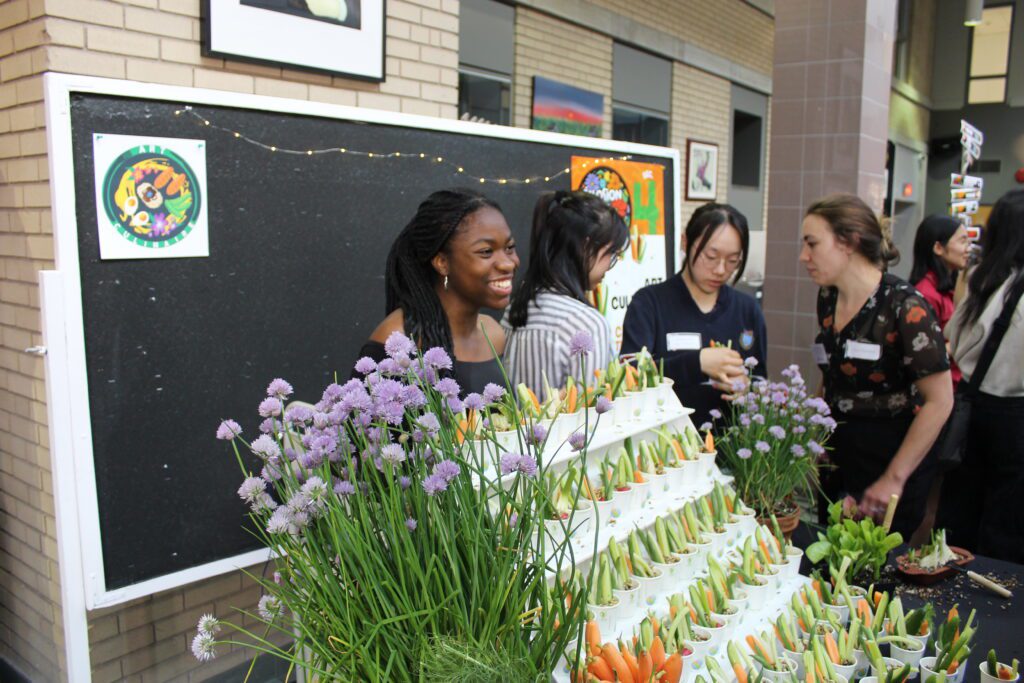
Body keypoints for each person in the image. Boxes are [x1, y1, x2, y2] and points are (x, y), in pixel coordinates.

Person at [801, 193, 953, 538]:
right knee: (831, 554)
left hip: (892, 456)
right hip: (841, 454)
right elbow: (832, 371)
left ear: (850, 242)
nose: (803, 256)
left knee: (874, 571)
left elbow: (941, 401)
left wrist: (893, 479)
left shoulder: (906, 307)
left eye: (812, 244)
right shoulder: (828, 295)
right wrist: (816, 433)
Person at [358, 188, 520, 395]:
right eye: (486, 252)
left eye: (510, 247)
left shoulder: (494, 334)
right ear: (442, 262)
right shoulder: (399, 342)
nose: (508, 264)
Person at [621, 203, 766, 427]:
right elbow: (629, 375)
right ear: (685, 242)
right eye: (711, 256)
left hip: (733, 451)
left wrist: (747, 387)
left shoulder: (747, 309)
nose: (720, 270)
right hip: (663, 449)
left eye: (732, 261)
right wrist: (697, 363)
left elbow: (762, 379)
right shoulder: (649, 303)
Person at [937, 189, 1024, 562]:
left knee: (960, 504)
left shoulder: (978, 279)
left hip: (971, 408)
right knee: (1008, 518)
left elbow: (952, 339)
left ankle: (947, 579)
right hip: (1016, 417)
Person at [502, 191, 628, 392]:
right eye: (611, 253)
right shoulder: (586, 323)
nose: (611, 265)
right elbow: (591, 412)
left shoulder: (514, 308)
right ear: (586, 246)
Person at [909, 214, 970, 386]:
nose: (967, 249)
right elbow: (926, 352)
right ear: (938, 247)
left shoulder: (952, 286)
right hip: (940, 387)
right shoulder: (925, 293)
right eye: (962, 241)